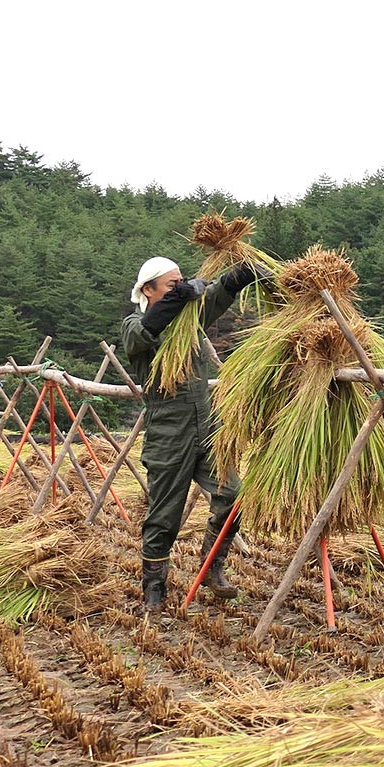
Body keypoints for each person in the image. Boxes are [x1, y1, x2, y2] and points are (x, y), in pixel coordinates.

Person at [122, 255, 263, 614]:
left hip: (207, 428)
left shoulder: (191, 320)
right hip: (169, 432)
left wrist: (242, 273)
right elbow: (145, 331)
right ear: (148, 290)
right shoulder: (134, 325)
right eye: (172, 285)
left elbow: (216, 294)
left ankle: (212, 566)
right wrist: (177, 298)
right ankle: (154, 590)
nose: (181, 288)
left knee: (233, 496)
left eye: (182, 282)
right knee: (164, 515)